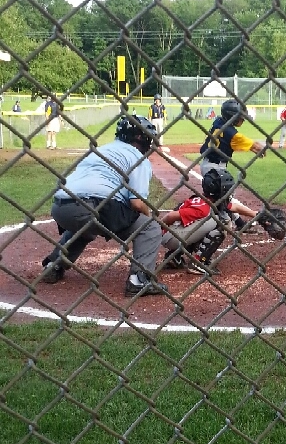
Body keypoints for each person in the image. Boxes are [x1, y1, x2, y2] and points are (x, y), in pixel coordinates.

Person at [40, 115, 168, 298]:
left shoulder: (101, 150)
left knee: (85, 227)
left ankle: (54, 265)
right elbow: (137, 202)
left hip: (61, 206)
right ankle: (139, 280)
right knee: (150, 227)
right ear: (141, 138)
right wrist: (150, 217)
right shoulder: (137, 157)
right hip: (97, 205)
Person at [161, 168, 260, 275]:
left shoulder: (208, 199)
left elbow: (234, 207)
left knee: (214, 219)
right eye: (226, 189)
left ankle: (175, 257)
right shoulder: (203, 209)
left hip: (174, 233)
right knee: (223, 222)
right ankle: (198, 263)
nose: (229, 191)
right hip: (171, 237)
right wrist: (158, 227)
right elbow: (171, 215)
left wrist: (255, 214)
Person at [199, 99, 266, 233]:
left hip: (211, 164)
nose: (242, 120)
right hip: (214, 167)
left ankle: (238, 222)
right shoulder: (232, 134)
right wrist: (262, 147)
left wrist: (253, 148)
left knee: (225, 197)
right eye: (240, 117)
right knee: (225, 198)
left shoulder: (219, 122)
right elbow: (255, 146)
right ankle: (225, 221)